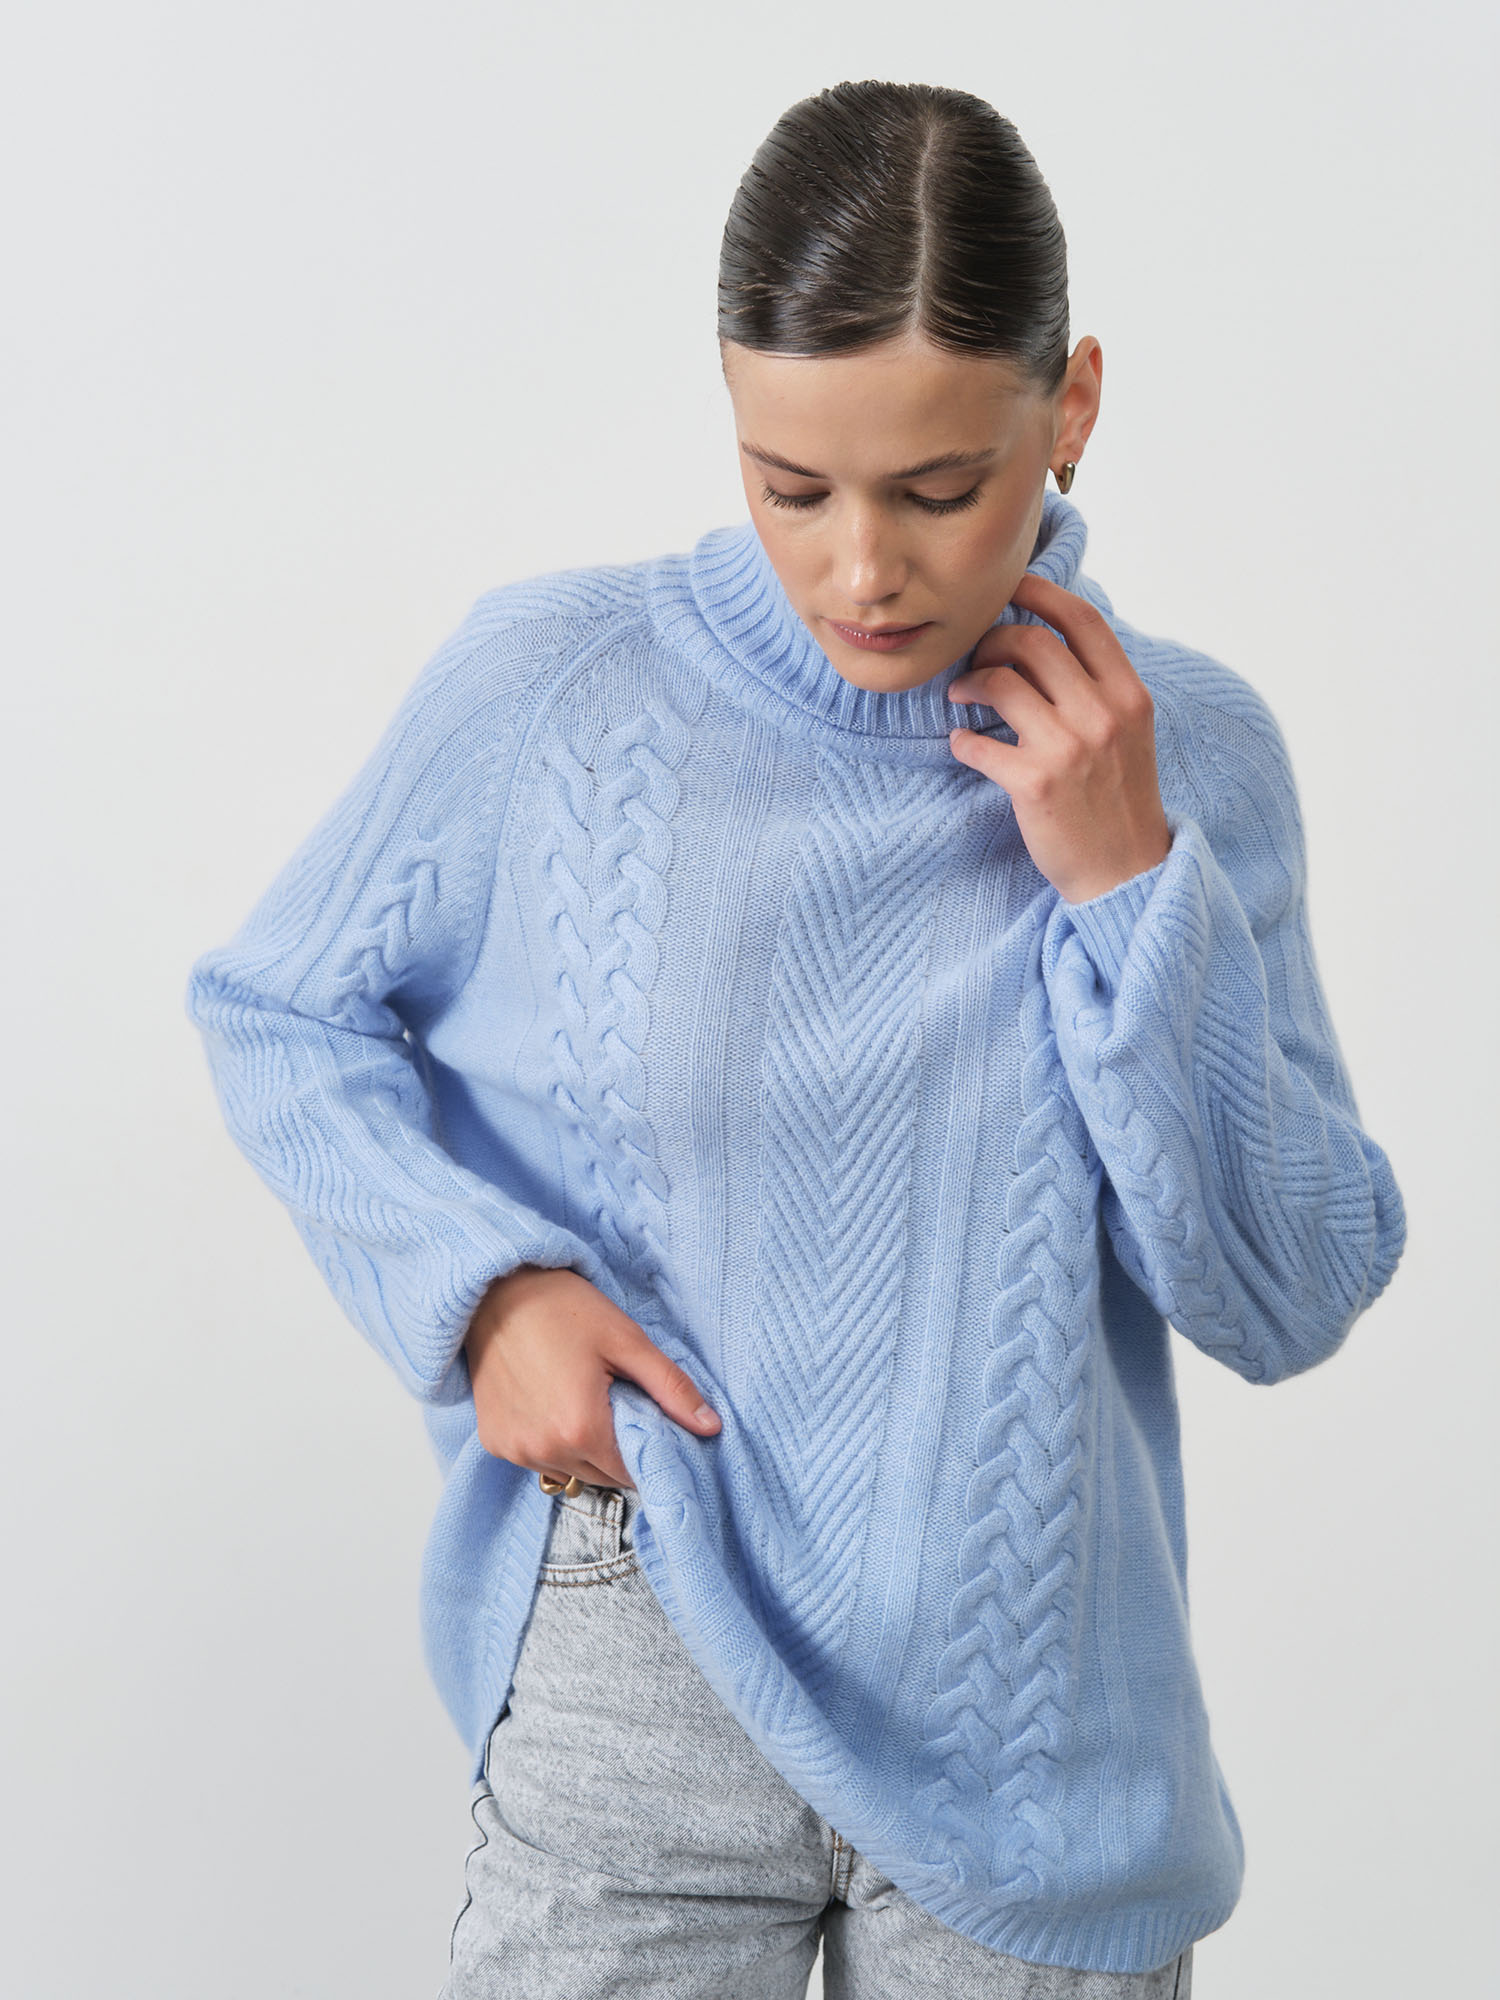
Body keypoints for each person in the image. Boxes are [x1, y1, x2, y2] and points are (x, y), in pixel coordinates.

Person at [184, 79, 1407, 1999]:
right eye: (792, 486)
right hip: (639, 1655)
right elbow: (277, 1009)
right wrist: (482, 1292)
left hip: (1038, 1743)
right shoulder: (554, 690)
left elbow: (1289, 1295)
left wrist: (1125, 887)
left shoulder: (1192, 762)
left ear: (1071, 408)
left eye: (939, 489)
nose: (861, 571)